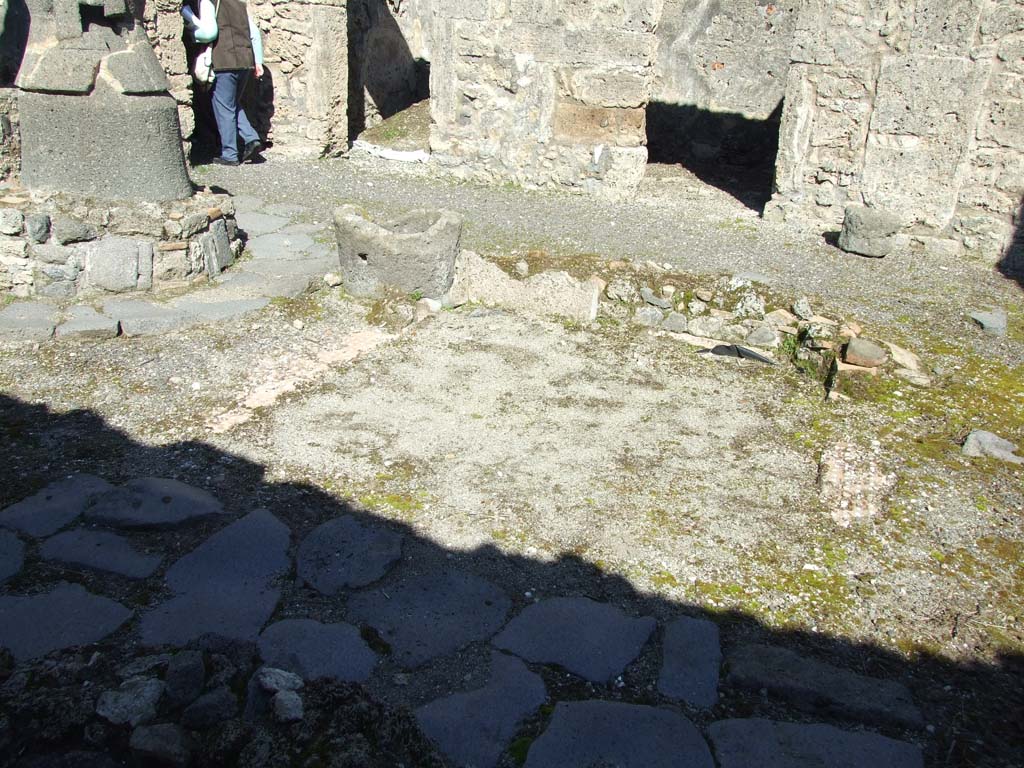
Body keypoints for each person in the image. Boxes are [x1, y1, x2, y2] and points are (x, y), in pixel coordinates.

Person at [183, 0, 264, 166]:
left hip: (224, 60)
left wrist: (191, 32)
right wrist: (258, 61)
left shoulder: (208, 2)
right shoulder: (239, 3)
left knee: (223, 108)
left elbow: (209, 33)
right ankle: (251, 138)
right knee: (232, 103)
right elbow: (254, 32)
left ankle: (230, 154)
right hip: (245, 60)